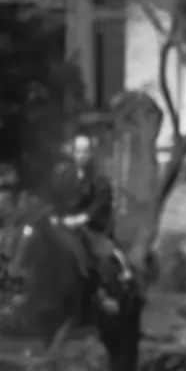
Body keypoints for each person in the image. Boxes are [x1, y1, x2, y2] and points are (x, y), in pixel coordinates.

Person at [51, 133, 132, 314]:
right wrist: (56, 216)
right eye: (78, 151)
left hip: (92, 226)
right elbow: (57, 199)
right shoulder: (65, 175)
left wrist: (84, 218)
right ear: (73, 153)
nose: (81, 155)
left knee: (102, 256)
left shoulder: (99, 178)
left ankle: (107, 293)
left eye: (85, 151)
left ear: (91, 153)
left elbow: (101, 203)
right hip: (65, 223)